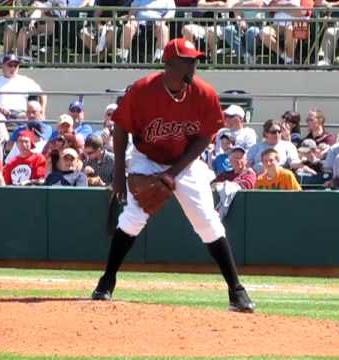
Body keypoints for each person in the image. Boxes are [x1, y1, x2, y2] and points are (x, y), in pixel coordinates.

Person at [91, 38, 255, 313]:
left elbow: (205, 137)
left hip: (185, 163)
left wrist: (174, 173)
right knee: (133, 218)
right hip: (146, 158)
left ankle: (236, 290)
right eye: (188, 61)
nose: (193, 65)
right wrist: (119, 172)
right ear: (170, 64)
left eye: (194, 60)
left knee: (207, 221)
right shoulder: (143, 90)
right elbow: (121, 127)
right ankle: (107, 280)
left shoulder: (203, 93)